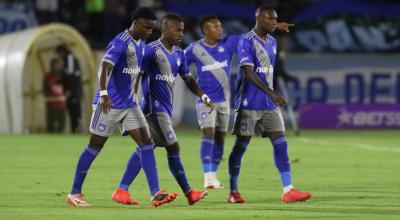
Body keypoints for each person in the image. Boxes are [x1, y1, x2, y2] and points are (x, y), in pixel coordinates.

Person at [66, 7, 176, 208]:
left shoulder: (142, 46)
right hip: (109, 104)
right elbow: (105, 68)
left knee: (147, 143)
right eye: (146, 27)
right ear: (134, 23)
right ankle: (74, 193)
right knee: (94, 147)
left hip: (129, 105)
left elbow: (136, 74)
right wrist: (105, 94)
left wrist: (134, 96)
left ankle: (155, 193)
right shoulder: (120, 42)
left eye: (152, 28)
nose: (149, 32)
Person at [184, 15, 294, 189]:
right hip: (206, 101)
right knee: (208, 133)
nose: (220, 29)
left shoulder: (228, 43)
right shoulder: (194, 49)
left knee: (220, 138)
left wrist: (274, 25)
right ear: (205, 30)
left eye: (220, 26)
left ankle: (213, 172)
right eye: (215, 27)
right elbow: (180, 66)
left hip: (224, 100)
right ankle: (208, 175)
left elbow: (252, 34)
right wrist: (194, 87)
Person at [112, 14, 210, 206]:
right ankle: (189, 192)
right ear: (166, 29)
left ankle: (121, 189)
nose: (182, 34)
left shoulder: (179, 54)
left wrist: (203, 95)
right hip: (153, 109)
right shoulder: (150, 51)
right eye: (178, 30)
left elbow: (188, 80)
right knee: (173, 146)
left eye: (183, 30)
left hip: (166, 109)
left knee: (145, 148)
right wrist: (131, 97)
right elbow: (137, 74)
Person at [227, 5, 312, 203]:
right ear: (258, 18)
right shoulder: (246, 41)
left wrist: (271, 95)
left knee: (281, 143)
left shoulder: (273, 41)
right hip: (249, 103)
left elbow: (267, 69)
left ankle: (288, 189)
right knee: (241, 147)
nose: (274, 22)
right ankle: (233, 191)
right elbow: (248, 72)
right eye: (270, 19)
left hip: (269, 104)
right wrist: (272, 92)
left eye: (276, 19)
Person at [56, 44, 82, 133]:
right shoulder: (67, 60)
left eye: (59, 54)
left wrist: (69, 90)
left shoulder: (69, 58)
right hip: (72, 91)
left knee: (75, 112)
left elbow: (71, 76)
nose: (59, 56)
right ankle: (74, 131)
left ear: (61, 52)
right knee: (72, 112)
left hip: (74, 92)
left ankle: (77, 130)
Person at [43, 58, 66, 133]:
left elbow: (67, 87)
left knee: (61, 125)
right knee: (50, 124)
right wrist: (48, 96)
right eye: (54, 65)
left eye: (58, 65)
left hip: (61, 104)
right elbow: (45, 89)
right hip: (51, 104)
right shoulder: (47, 77)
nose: (56, 66)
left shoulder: (63, 76)